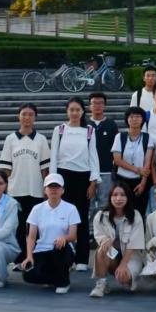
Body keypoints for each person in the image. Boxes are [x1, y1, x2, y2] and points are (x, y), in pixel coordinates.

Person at [48, 97, 101, 271]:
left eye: (78, 109)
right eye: (71, 109)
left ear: (83, 111)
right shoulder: (59, 130)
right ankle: (63, 256)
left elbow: (93, 156)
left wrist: (93, 181)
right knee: (61, 217)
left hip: (83, 177)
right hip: (63, 177)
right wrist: (53, 181)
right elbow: (54, 156)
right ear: (67, 111)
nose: (75, 113)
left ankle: (82, 260)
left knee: (81, 218)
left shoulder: (89, 131)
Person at [0, 102, 49, 263]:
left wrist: (45, 188)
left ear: (35, 117)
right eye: (24, 114)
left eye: (30, 114)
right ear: (19, 116)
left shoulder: (41, 139)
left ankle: (33, 257)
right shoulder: (10, 139)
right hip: (15, 189)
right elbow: (6, 168)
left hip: (35, 189)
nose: (27, 117)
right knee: (18, 226)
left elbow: (45, 168)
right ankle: (19, 259)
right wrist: (5, 189)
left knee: (34, 225)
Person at [20, 173, 81, 294]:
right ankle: (57, 276)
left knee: (59, 249)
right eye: (50, 186)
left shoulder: (71, 208)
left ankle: (63, 282)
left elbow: (73, 235)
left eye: (57, 186)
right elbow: (31, 237)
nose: (54, 189)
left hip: (62, 249)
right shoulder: (37, 209)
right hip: (42, 249)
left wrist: (64, 238)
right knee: (28, 275)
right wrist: (29, 256)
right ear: (45, 190)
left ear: (62, 190)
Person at [89, 182, 145, 298]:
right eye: (115, 195)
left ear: (128, 197)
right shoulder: (100, 215)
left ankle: (127, 275)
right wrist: (105, 240)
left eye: (122, 195)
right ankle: (101, 284)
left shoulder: (136, 216)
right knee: (102, 248)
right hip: (112, 255)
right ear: (110, 197)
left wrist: (123, 264)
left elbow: (134, 244)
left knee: (123, 278)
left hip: (130, 256)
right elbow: (99, 236)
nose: (118, 198)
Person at [113, 106, 154, 215]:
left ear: (142, 119)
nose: (134, 119)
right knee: (121, 210)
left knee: (139, 212)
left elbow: (147, 162)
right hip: (122, 180)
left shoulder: (148, 138)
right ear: (127, 119)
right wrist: (137, 169)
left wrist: (143, 183)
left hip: (140, 181)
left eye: (138, 116)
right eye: (131, 116)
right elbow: (117, 160)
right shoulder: (120, 137)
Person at [87, 92, 121, 218]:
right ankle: (88, 229)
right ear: (89, 106)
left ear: (105, 105)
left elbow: (116, 148)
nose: (97, 106)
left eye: (100, 103)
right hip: (87, 171)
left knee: (105, 204)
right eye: (94, 103)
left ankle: (104, 228)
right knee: (88, 204)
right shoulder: (84, 124)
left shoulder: (111, 125)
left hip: (106, 170)